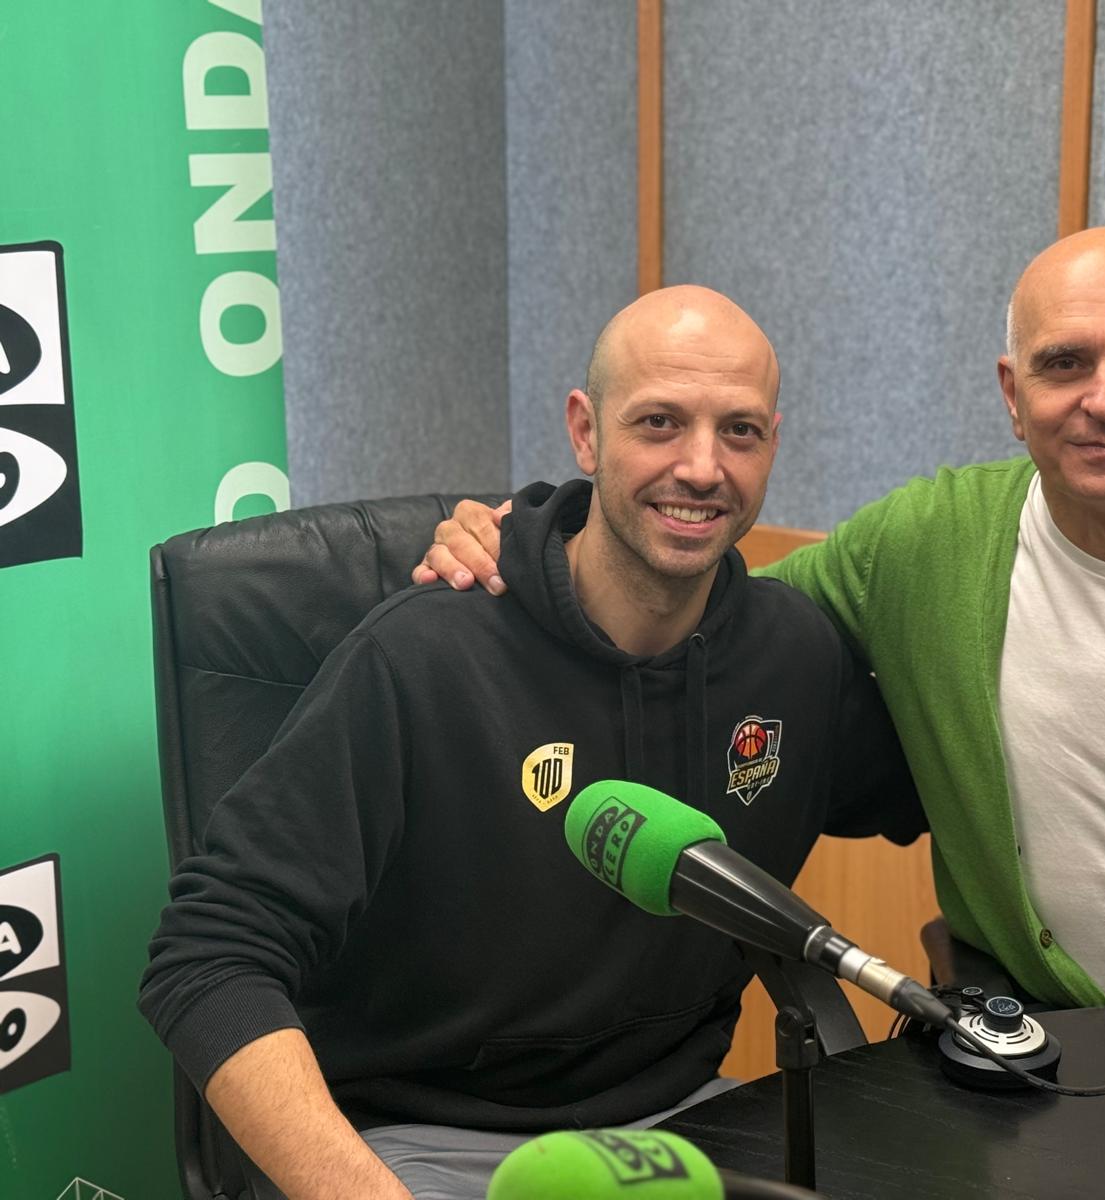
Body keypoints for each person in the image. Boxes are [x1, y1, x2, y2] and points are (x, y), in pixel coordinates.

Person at [419, 229, 1105, 1082]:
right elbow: (695, 608)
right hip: (1049, 1057)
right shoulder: (924, 546)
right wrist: (524, 536)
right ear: (1011, 393)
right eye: (1064, 363)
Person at [140, 286, 924, 1200]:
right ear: (585, 433)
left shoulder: (796, 657)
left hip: (685, 1132)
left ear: (774, 445)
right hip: (419, 1141)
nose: (703, 467)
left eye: (740, 432)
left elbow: (942, 790)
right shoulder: (423, 658)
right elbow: (207, 952)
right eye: (660, 423)